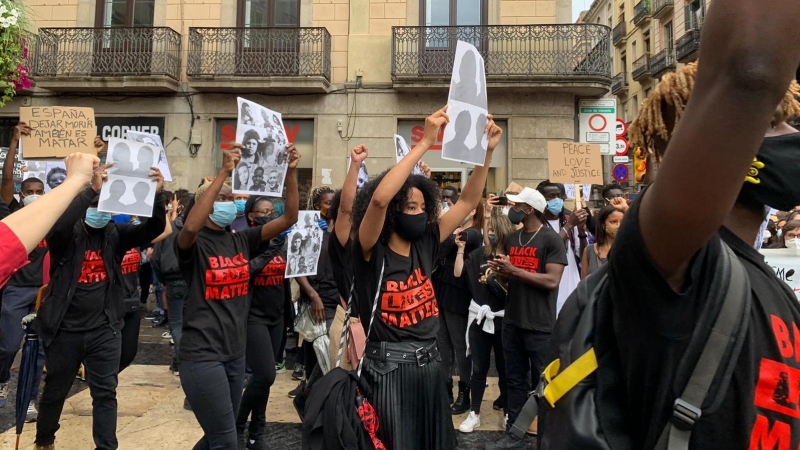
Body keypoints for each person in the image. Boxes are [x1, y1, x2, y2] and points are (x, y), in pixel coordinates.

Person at [600, 19, 800, 446]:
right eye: (768, 124)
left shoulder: (765, 280)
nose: (791, 136)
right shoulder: (674, 257)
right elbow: (747, 70)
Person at [348, 106, 501, 449]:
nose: (418, 214)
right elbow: (378, 201)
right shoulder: (370, 248)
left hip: (430, 366)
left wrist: (486, 152)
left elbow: (468, 201)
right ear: (393, 214)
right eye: (409, 207)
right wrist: (425, 142)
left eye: (421, 207)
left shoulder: (428, 243)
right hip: (388, 370)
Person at [33, 162, 166, 450]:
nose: (99, 211)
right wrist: (89, 190)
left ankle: (106, 447)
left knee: (106, 393)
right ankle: (44, 440)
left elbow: (153, 228)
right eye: (94, 204)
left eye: (104, 205)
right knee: (55, 392)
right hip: (64, 330)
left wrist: (156, 195)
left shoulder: (114, 234)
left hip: (104, 328)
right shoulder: (66, 237)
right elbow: (57, 224)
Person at [175, 143, 299, 450]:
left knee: (219, 435)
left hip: (234, 354)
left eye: (231, 199)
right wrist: (223, 173)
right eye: (221, 199)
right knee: (228, 442)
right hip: (202, 356)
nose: (228, 203)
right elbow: (190, 225)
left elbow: (289, 219)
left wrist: (292, 173)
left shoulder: (241, 240)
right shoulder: (192, 243)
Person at [484, 187, 566, 447]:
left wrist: (514, 270)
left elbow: (552, 280)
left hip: (540, 326)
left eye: (516, 205)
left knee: (542, 383)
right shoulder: (513, 238)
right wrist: (501, 271)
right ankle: (514, 435)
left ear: (529, 209)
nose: (512, 210)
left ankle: (549, 436)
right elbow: (512, 275)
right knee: (514, 379)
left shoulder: (551, 240)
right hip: (513, 321)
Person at [236, 196, 292, 449]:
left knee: (267, 378)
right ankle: (237, 424)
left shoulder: (281, 242)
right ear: (251, 217)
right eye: (265, 212)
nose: (271, 215)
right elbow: (244, 273)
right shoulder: (244, 241)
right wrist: (269, 251)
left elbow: (288, 276)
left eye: (274, 211)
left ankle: (256, 432)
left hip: (276, 316)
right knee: (264, 374)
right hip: (253, 317)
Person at [454, 210, 514, 433]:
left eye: (494, 230)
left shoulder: (511, 258)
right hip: (480, 317)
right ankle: (475, 413)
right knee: (478, 368)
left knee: (504, 368)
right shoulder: (478, 254)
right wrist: (460, 251)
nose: (490, 234)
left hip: (502, 319)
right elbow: (461, 275)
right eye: (488, 230)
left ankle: (508, 412)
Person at [434, 199, 484, 412]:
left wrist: (450, 229)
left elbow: (445, 243)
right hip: (441, 287)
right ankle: (445, 389)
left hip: (458, 291)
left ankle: (465, 391)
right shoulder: (453, 228)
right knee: (442, 344)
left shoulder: (472, 233)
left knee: (460, 345)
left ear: (472, 210)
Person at [536, 180, 587, 315]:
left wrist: (581, 233)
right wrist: (569, 225)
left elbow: (583, 256)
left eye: (559, 196)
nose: (556, 200)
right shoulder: (537, 225)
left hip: (572, 287)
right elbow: (547, 249)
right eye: (551, 196)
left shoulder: (568, 220)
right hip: (550, 290)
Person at [580, 205, 625, 279]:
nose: (618, 225)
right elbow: (584, 284)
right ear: (603, 224)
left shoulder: (629, 250)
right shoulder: (589, 250)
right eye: (613, 222)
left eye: (622, 222)